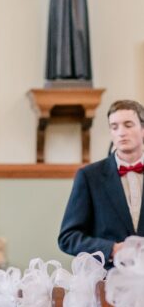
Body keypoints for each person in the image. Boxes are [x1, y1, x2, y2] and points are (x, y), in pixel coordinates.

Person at [59, 100, 144, 263]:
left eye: (128, 125)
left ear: (142, 129)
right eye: (114, 127)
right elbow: (68, 238)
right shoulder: (89, 176)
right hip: (107, 280)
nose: (121, 132)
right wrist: (111, 249)